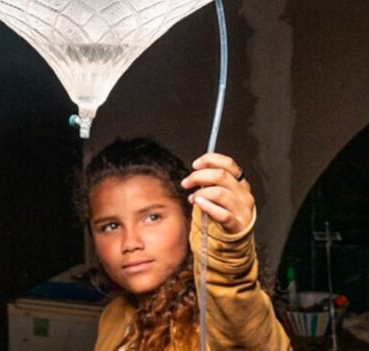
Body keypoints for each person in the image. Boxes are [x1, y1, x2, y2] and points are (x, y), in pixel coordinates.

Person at [75, 138, 290, 350]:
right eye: (111, 226)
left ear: (189, 220)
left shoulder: (213, 322)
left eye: (152, 217)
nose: (130, 243)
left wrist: (229, 255)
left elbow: (242, 327)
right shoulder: (113, 316)